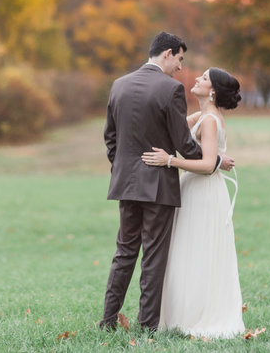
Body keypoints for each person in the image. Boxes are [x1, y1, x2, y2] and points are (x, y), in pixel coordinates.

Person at [99, 32, 234, 334]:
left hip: (125, 184)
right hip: (159, 185)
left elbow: (111, 139)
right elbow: (184, 146)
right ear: (168, 54)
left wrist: (124, 169)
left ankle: (107, 321)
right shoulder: (170, 90)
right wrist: (214, 159)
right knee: (154, 257)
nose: (180, 68)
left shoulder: (119, 85)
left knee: (124, 252)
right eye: (180, 60)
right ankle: (147, 325)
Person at [141, 67, 245, 339]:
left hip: (203, 192)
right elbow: (172, 134)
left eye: (204, 78)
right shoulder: (202, 115)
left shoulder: (210, 121)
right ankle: (181, 314)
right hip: (193, 189)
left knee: (197, 251)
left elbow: (208, 164)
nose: (197, 79)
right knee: (186, 251)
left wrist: (169, 161)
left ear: (212, 91)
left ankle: (197, 317)